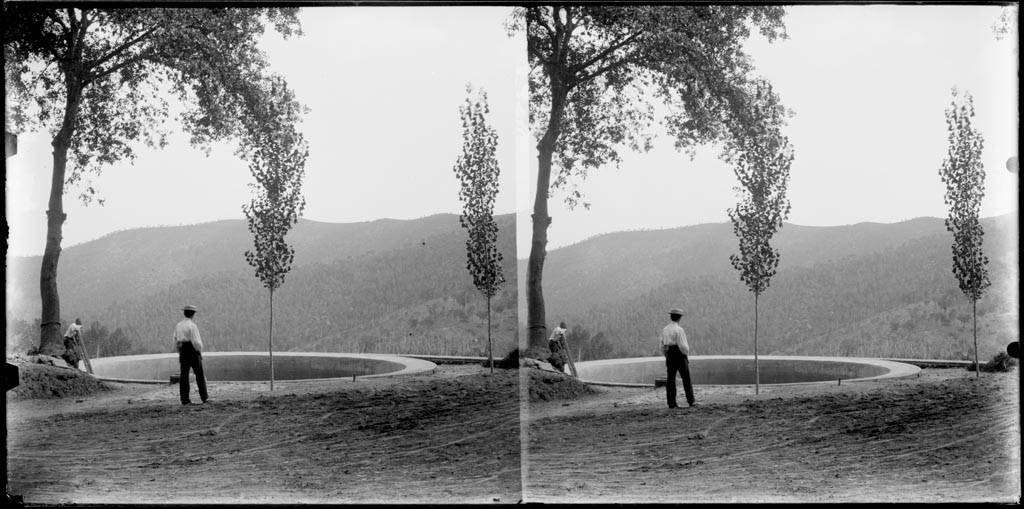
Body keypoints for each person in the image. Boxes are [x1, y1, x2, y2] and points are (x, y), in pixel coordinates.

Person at [660, 308, 695, 409]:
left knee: (670, 379)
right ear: (679, 318)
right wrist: (685, 354)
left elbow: (662, 345)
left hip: (670, 354)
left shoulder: (665, 329)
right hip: (679, 354)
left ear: (671, 317)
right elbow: (683, 345)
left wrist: (666, 355)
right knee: (686, 378)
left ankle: (671, 403)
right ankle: (691, 401)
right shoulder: (679, 330)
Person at [173, 305, 208, 405]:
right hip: (192, 350)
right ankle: (204, 397)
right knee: (199, 374)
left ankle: (184, 399)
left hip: (183, 350)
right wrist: (199, 351)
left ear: (184, 313)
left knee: (184, 375)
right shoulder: (192, 326)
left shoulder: (178, 325)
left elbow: (175, 340)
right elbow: (196, 342)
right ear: (193, 314)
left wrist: (179, 351)